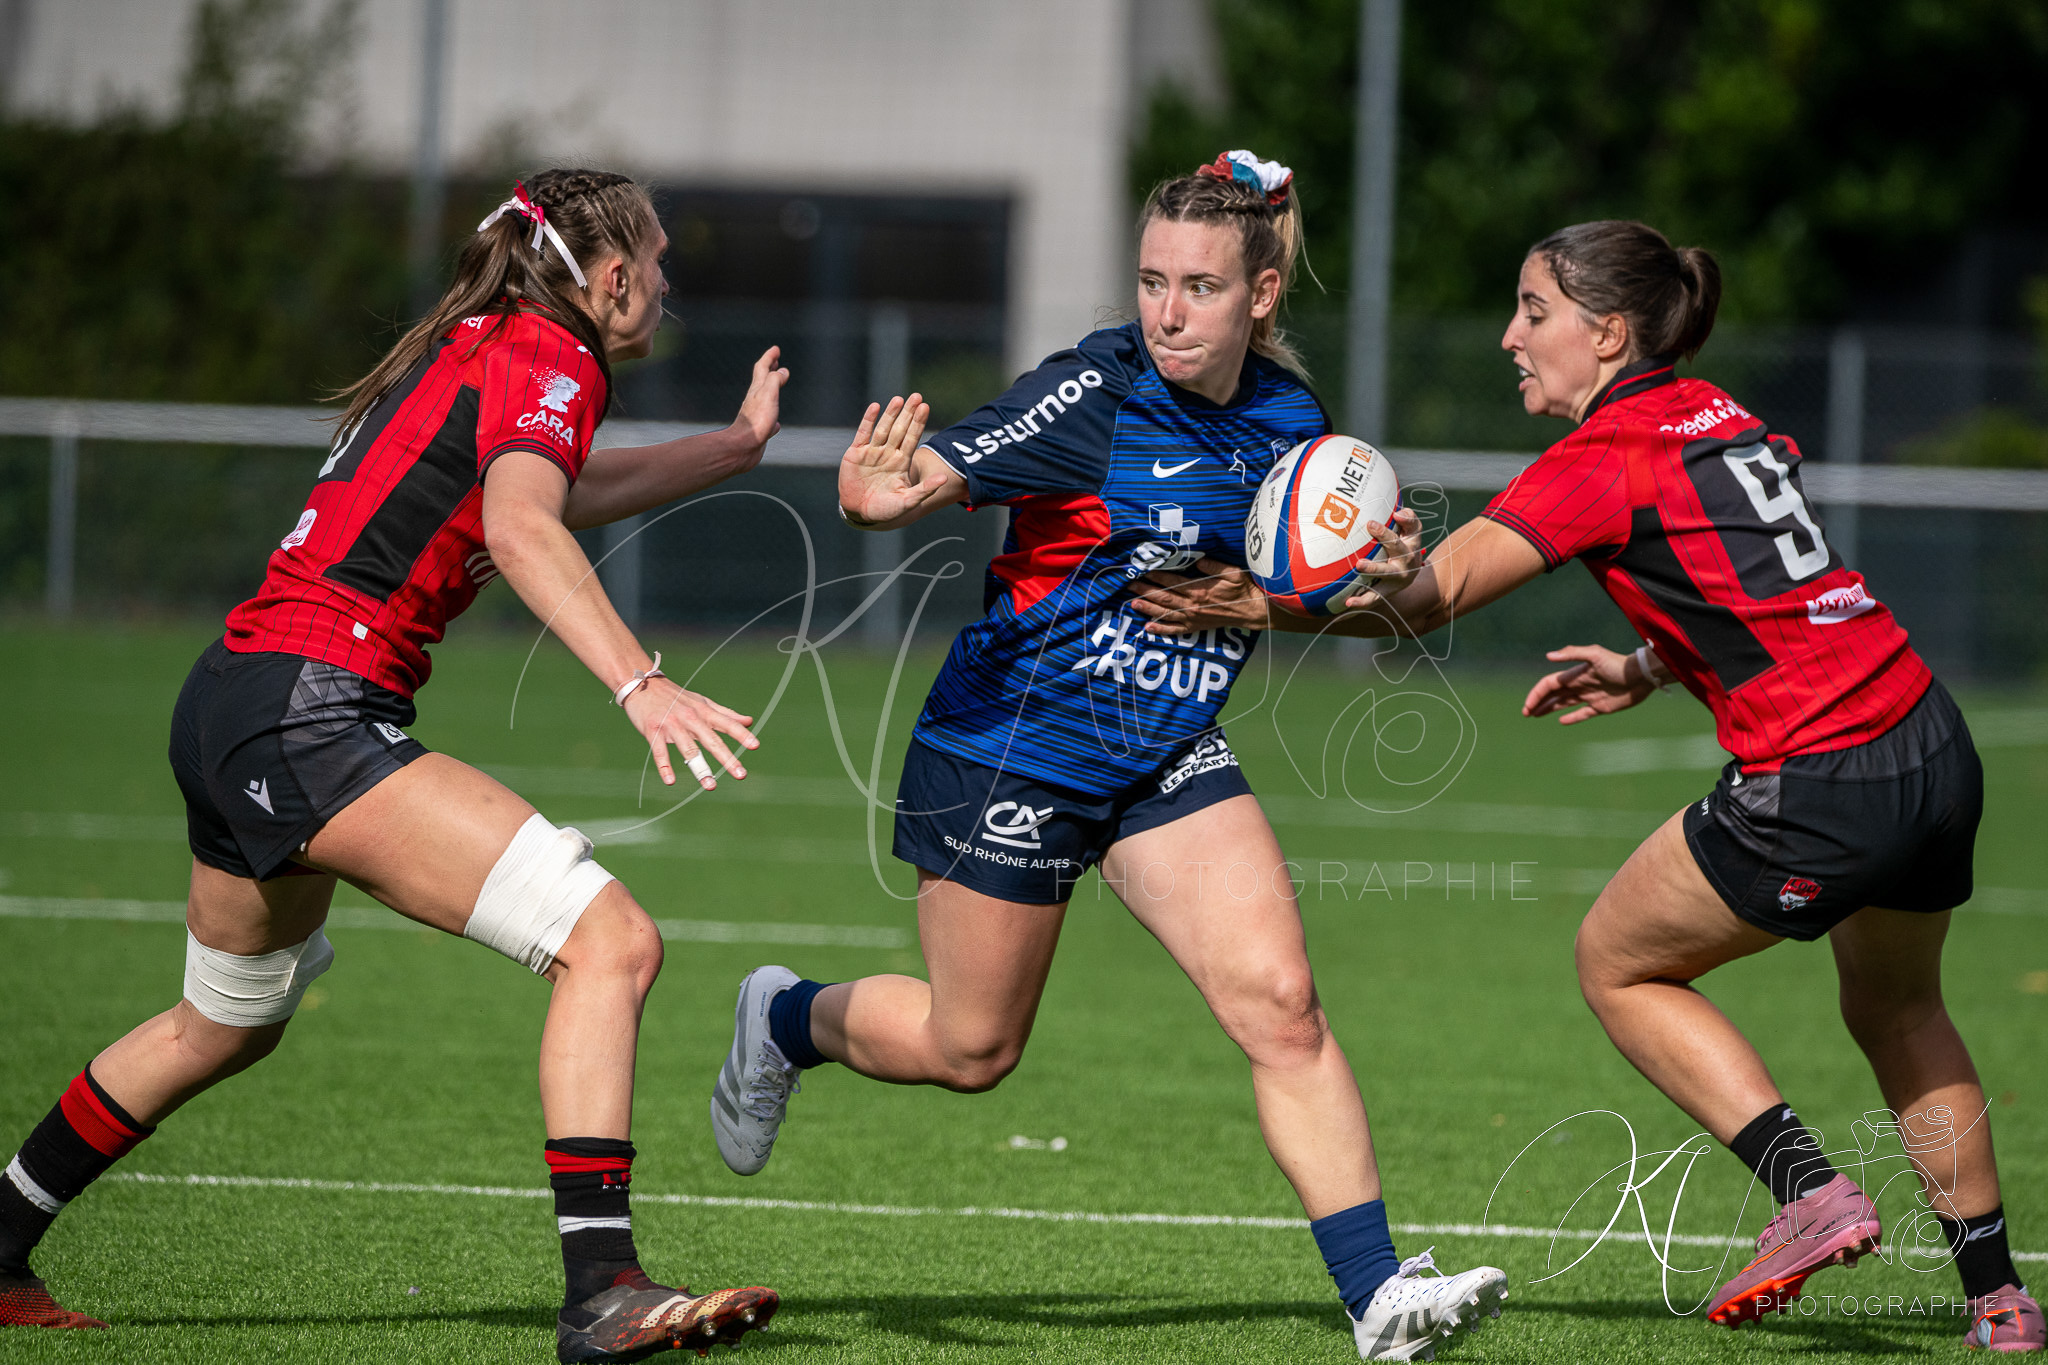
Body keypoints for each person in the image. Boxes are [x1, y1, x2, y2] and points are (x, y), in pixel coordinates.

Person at [1128, 219, 2041, 1350]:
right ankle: (1998, 1301)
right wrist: (1646, 663)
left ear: (1605, 334)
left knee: (1618, 963)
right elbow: (1769, 586)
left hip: (1821, 773)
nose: (1511, 337)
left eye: (1533, 312)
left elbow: (1429, 600)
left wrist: (1263, 599)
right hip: (1927, 742)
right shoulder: (1715, 413)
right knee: (1899, 1006)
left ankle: (1806, 1190)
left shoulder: (1602, 456)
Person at [705, 150, 1508, 1362]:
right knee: (971, 1050)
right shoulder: (1095, 396)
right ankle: (785, 1021)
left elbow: (1297, 591)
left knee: (1282, 1007)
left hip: (1162, 753)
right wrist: (879, 493)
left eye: (1196, 285)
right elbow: (927, 476)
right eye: (1149, 280)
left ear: (1262, 295)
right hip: (1010, 750)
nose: (1167, 311)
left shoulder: (1292, 425)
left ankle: (1377, 1296)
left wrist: (1338, 585)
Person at [0, 170, 787, 1361]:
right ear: (612, 278)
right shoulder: (553, 356)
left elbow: (553, 494)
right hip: (313, 712)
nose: (666, 285)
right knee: (610, 943)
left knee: (227, 1021)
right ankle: (601, 1290)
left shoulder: (490, 338)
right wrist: (640, 680)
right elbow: (525, 524)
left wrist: (731, 448)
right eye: (659, 263)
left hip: (233, 700)